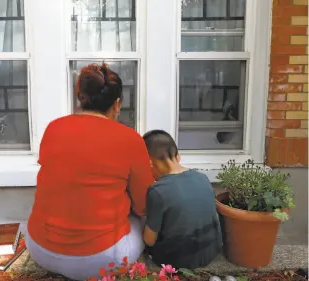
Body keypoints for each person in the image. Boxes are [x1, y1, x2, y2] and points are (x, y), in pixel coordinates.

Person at [26, 63, 154, 281]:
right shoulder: (130, 139)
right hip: (100, 259)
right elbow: (144, 205)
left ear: (80, 98)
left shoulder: (54, 128)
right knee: (144, 221)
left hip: (40, 248)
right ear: (117, 103)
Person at [142, 130, 222, 269]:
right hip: (211, 252)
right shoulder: (203, 178)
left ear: (149, 163)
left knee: (140, 221)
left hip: (175, 260)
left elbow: (149, 241)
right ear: (178, 156)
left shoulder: (157, 190)